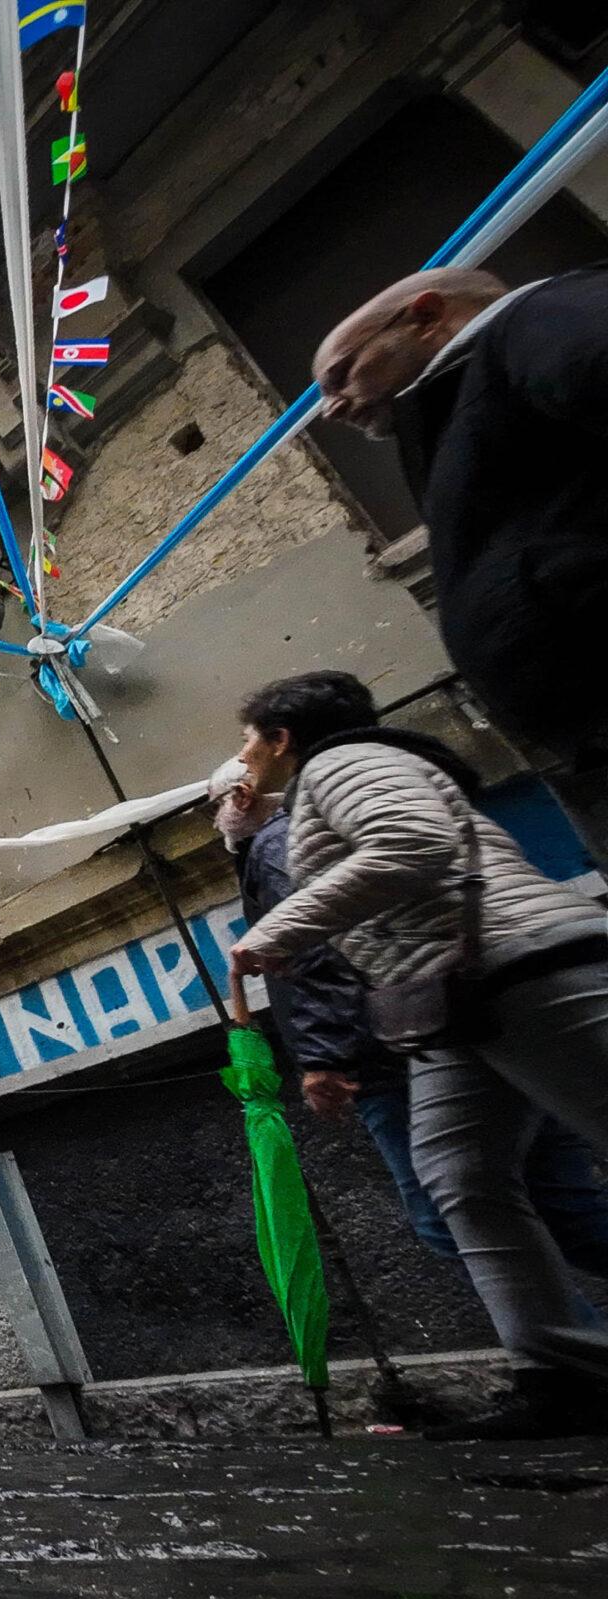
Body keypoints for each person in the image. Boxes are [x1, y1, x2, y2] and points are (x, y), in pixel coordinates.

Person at [227, 671, 608, 1438]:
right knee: (462, 1182)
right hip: (449, 1005)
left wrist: (277, 929)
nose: (242, 756)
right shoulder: (319, 791)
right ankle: (566, 1378)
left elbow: (413, 842)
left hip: (516, 968)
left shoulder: (344, 764)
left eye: (249, 738)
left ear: (282, 739)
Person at [214, 757, 608, 1277]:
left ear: (240, 798)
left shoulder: (272, 847)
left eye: (212, 808)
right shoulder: (325, 827)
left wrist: (325, 1056)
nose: (214, 822)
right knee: (559, 1199)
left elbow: (320, 955)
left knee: (454, 1217)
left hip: (396, 1047)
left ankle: (569, 1345)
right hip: (454, 1015)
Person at [313, 266, 608, 862]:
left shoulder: (538, 324)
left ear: (426, 318)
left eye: (342, 374)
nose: (330, 409)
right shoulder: (461, 416)